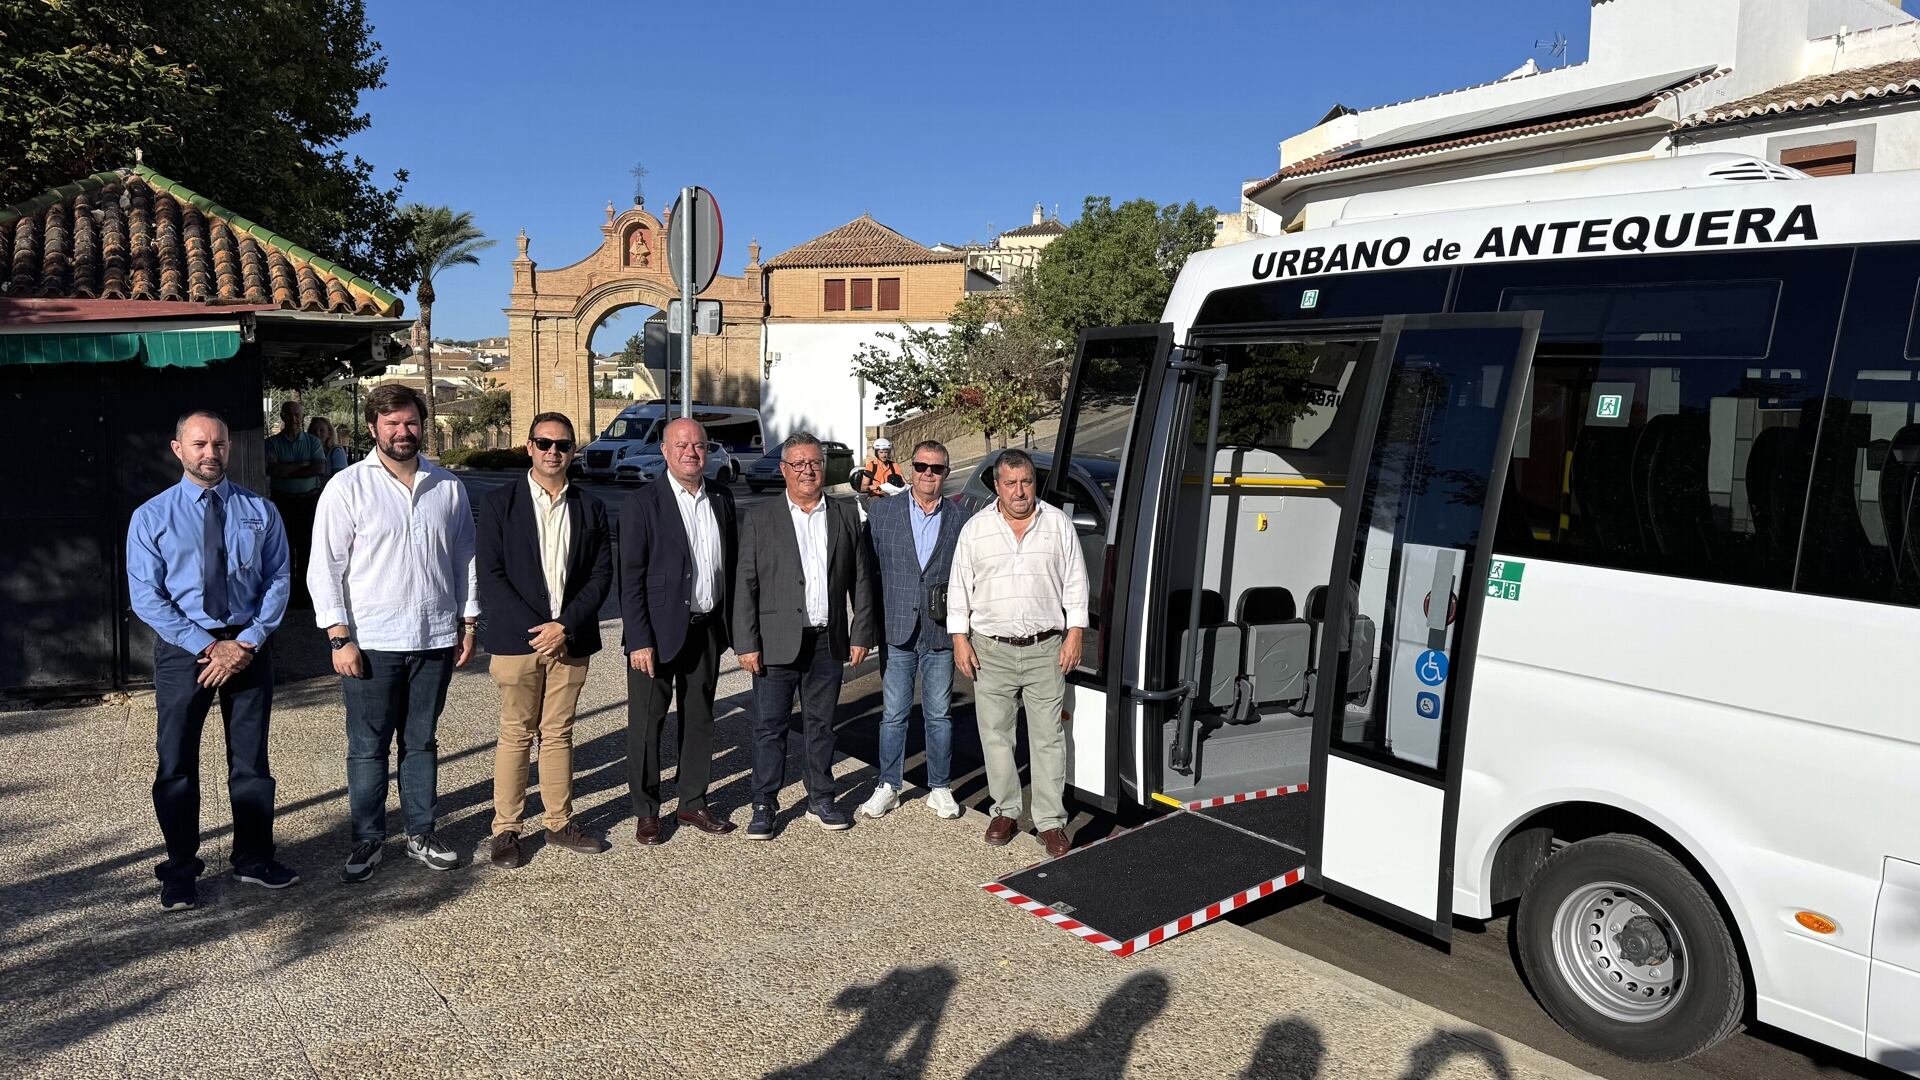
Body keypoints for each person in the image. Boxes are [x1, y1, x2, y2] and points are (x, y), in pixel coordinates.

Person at [126, 410, 298, 911]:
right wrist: (208, 645)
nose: (210, 453)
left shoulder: (259, 511)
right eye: (199, 444)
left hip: (247, 648)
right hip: (185, 651)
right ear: (178, 449)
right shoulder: (151, 517)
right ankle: (180, 868)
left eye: (219, 444)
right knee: (176, 762)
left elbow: (278, 580)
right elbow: (147, 597)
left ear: (230, 448)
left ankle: (254, 857)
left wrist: (244, 643)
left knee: (251, 761)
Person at [310, 382, 479, 882]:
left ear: (422, 426)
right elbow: (325, 567)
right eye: (392, 424)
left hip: (432, 636)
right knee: (368, 745)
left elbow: (464, 557)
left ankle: (422, 831)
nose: (403, 432)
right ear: (372, 428)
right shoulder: (347, 487)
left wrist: (468, 621)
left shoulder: (447, 486)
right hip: (372, 641)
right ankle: (367, 838)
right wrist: (339, 636)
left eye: (410, 423)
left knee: (422, 741)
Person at [476, 412, 614, 868]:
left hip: (569, 640)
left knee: (558, 733)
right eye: (544, 443)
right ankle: (507, 830)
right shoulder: (500, 504)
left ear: (573, 451)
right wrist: (541, 629)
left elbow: (600, 574)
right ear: (529, 447)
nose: (553, 451)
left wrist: (565, 626)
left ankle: (559, 823)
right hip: (519, 641)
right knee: (516, 733)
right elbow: (491, 574)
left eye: (563, 445)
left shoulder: (590, 507)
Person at [733, 431, 877, 840]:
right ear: (784, 471)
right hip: (776, 643)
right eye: (797, 464)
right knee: (769, 727)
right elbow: (746, 583)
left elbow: (862, 580)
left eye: (813, 463)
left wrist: (860, 631)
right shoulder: (761, 517)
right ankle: (764, 803)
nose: (807, 471)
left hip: (826, 641)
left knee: (822, 725)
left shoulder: (847, 513)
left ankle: (821, 798)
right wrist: (746, 642)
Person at [947, 448, 1088, 859]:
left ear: (1034, 481)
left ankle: (1050, 821)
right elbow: (960, 589)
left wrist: (1075, 633)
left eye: (1026, 481)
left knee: (1048, 739)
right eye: (1010, 483)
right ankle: (1005, 810)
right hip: (991, 650)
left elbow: (1076, 584)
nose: (1019, 491)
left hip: (1046, 648)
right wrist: (960, 638)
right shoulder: (976, 530)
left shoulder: (1057, 525)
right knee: (996, 736)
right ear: (997, 486)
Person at [619, 417, 739, 845]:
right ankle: (647, 811)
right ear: (666, 452)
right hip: (655, 633)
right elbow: (630, 578)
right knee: (647, 724)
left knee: (700, 719)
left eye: (700, 445)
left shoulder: (721, 499)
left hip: (706, 629)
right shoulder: (642, 504)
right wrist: (638, 640)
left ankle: (692, 801)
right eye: (682, 445)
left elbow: (733, 565)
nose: (692, 452)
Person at [860, 439, 968, 821]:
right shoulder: (883, 512)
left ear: (946, 474)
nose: (928, 475)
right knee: (894, 714)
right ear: (912, 468)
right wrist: (865, 628)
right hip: (897, 629)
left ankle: (940, 787)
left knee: (939, 715)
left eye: (936, 469)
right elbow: (866, 574)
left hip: (939, 631)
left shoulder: (960, 518)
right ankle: (888, 784)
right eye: (922, 467)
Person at [265, 399, 325, 605]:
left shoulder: (312, 442)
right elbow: (273, 470)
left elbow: (318, 468)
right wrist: (302, 465)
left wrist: (287, 469)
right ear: (282, 417)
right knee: (286, 548)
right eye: (290, 415)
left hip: (308, 502)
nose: (294, 419)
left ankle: (307, 594)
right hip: (283, 502)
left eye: (298, 415)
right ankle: (287, 595)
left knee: (308, 547)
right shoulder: (272, 443)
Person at [308, 415, 349, 482]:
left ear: (329, 433)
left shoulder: (337, 452)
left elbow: (340, 480)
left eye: (321, 430)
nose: (317, 433)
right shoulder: (307, 451)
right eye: (314, 430)